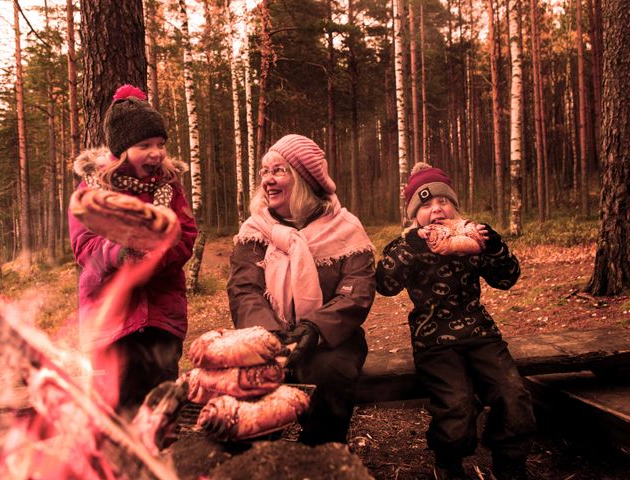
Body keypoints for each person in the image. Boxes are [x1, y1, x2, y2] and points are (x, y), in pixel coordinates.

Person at [375, 162, 535, 480]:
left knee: (513, 394)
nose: (437, 209)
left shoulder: (470, 240)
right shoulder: (406, 245)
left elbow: (507, 278)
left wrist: (495, 246)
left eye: (444, 201)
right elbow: (385, 284)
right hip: (433, 340)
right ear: (413, 215)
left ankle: (511, 462)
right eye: (426, 204)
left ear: (455, 207)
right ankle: (448, 463)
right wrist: (411, 245)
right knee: (457, 405)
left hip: (482, 333)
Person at [227, 134, 376, 445]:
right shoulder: (254, 231)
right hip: (266, 340)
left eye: (279, 170)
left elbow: (357, 290)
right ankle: (259, 458)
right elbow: (244, 290)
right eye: (264, 171)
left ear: (305, 179)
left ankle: (320, 456)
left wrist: (314, 329)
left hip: (330, 340)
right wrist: (273, 337)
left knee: (332, 372)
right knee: (243, 387)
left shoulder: (346, 228)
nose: (267, 180)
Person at [69, 84, 198, 418]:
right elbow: (84, 247)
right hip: (111, 322)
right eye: (144, 146)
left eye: (159, 144)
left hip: (161, 318)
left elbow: (185, 236)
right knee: (117, 413)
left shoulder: (169, 188)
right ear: (122, 149)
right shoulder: (92, 191)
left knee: (160, 409)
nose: (156, 153)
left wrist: (157, 258)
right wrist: (121, 253)